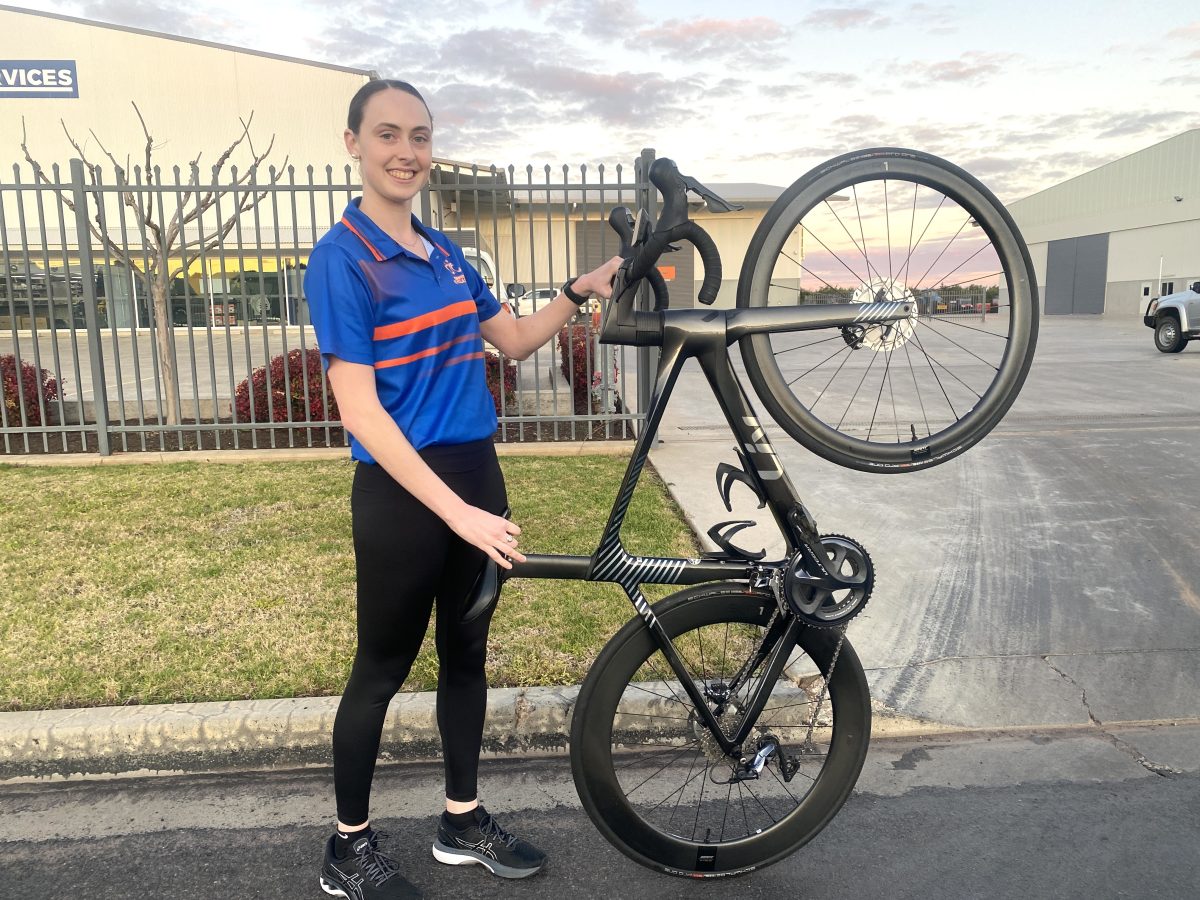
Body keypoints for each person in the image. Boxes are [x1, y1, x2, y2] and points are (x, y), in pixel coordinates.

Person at [305, 78, 622, 899]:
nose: (406, 151)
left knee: (467, 656)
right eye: (387, 135)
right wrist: (458, 515)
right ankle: (348, 849)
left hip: (477, 472)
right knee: (380, 667)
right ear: (353, 145)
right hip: (405, 497)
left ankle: (461, 820)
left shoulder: (445, 252)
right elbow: (362, 413)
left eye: (419, 135)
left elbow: (512, 342)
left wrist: (576, 291)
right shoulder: (340, 258)